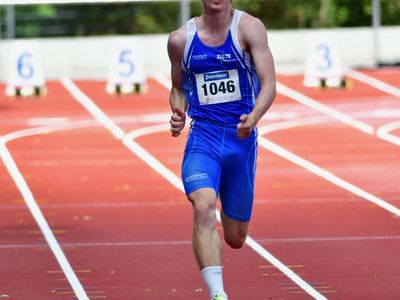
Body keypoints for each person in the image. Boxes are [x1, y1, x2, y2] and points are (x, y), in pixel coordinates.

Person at [167, 0, 276, 299]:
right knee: (202, 206)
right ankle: (218, 294)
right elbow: (179, 88)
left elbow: (269, 84)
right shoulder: (180, 40)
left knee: (236, 237)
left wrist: (253, 117)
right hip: (204, 137)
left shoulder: (249, 29)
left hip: (241, 141)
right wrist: (178, 112)